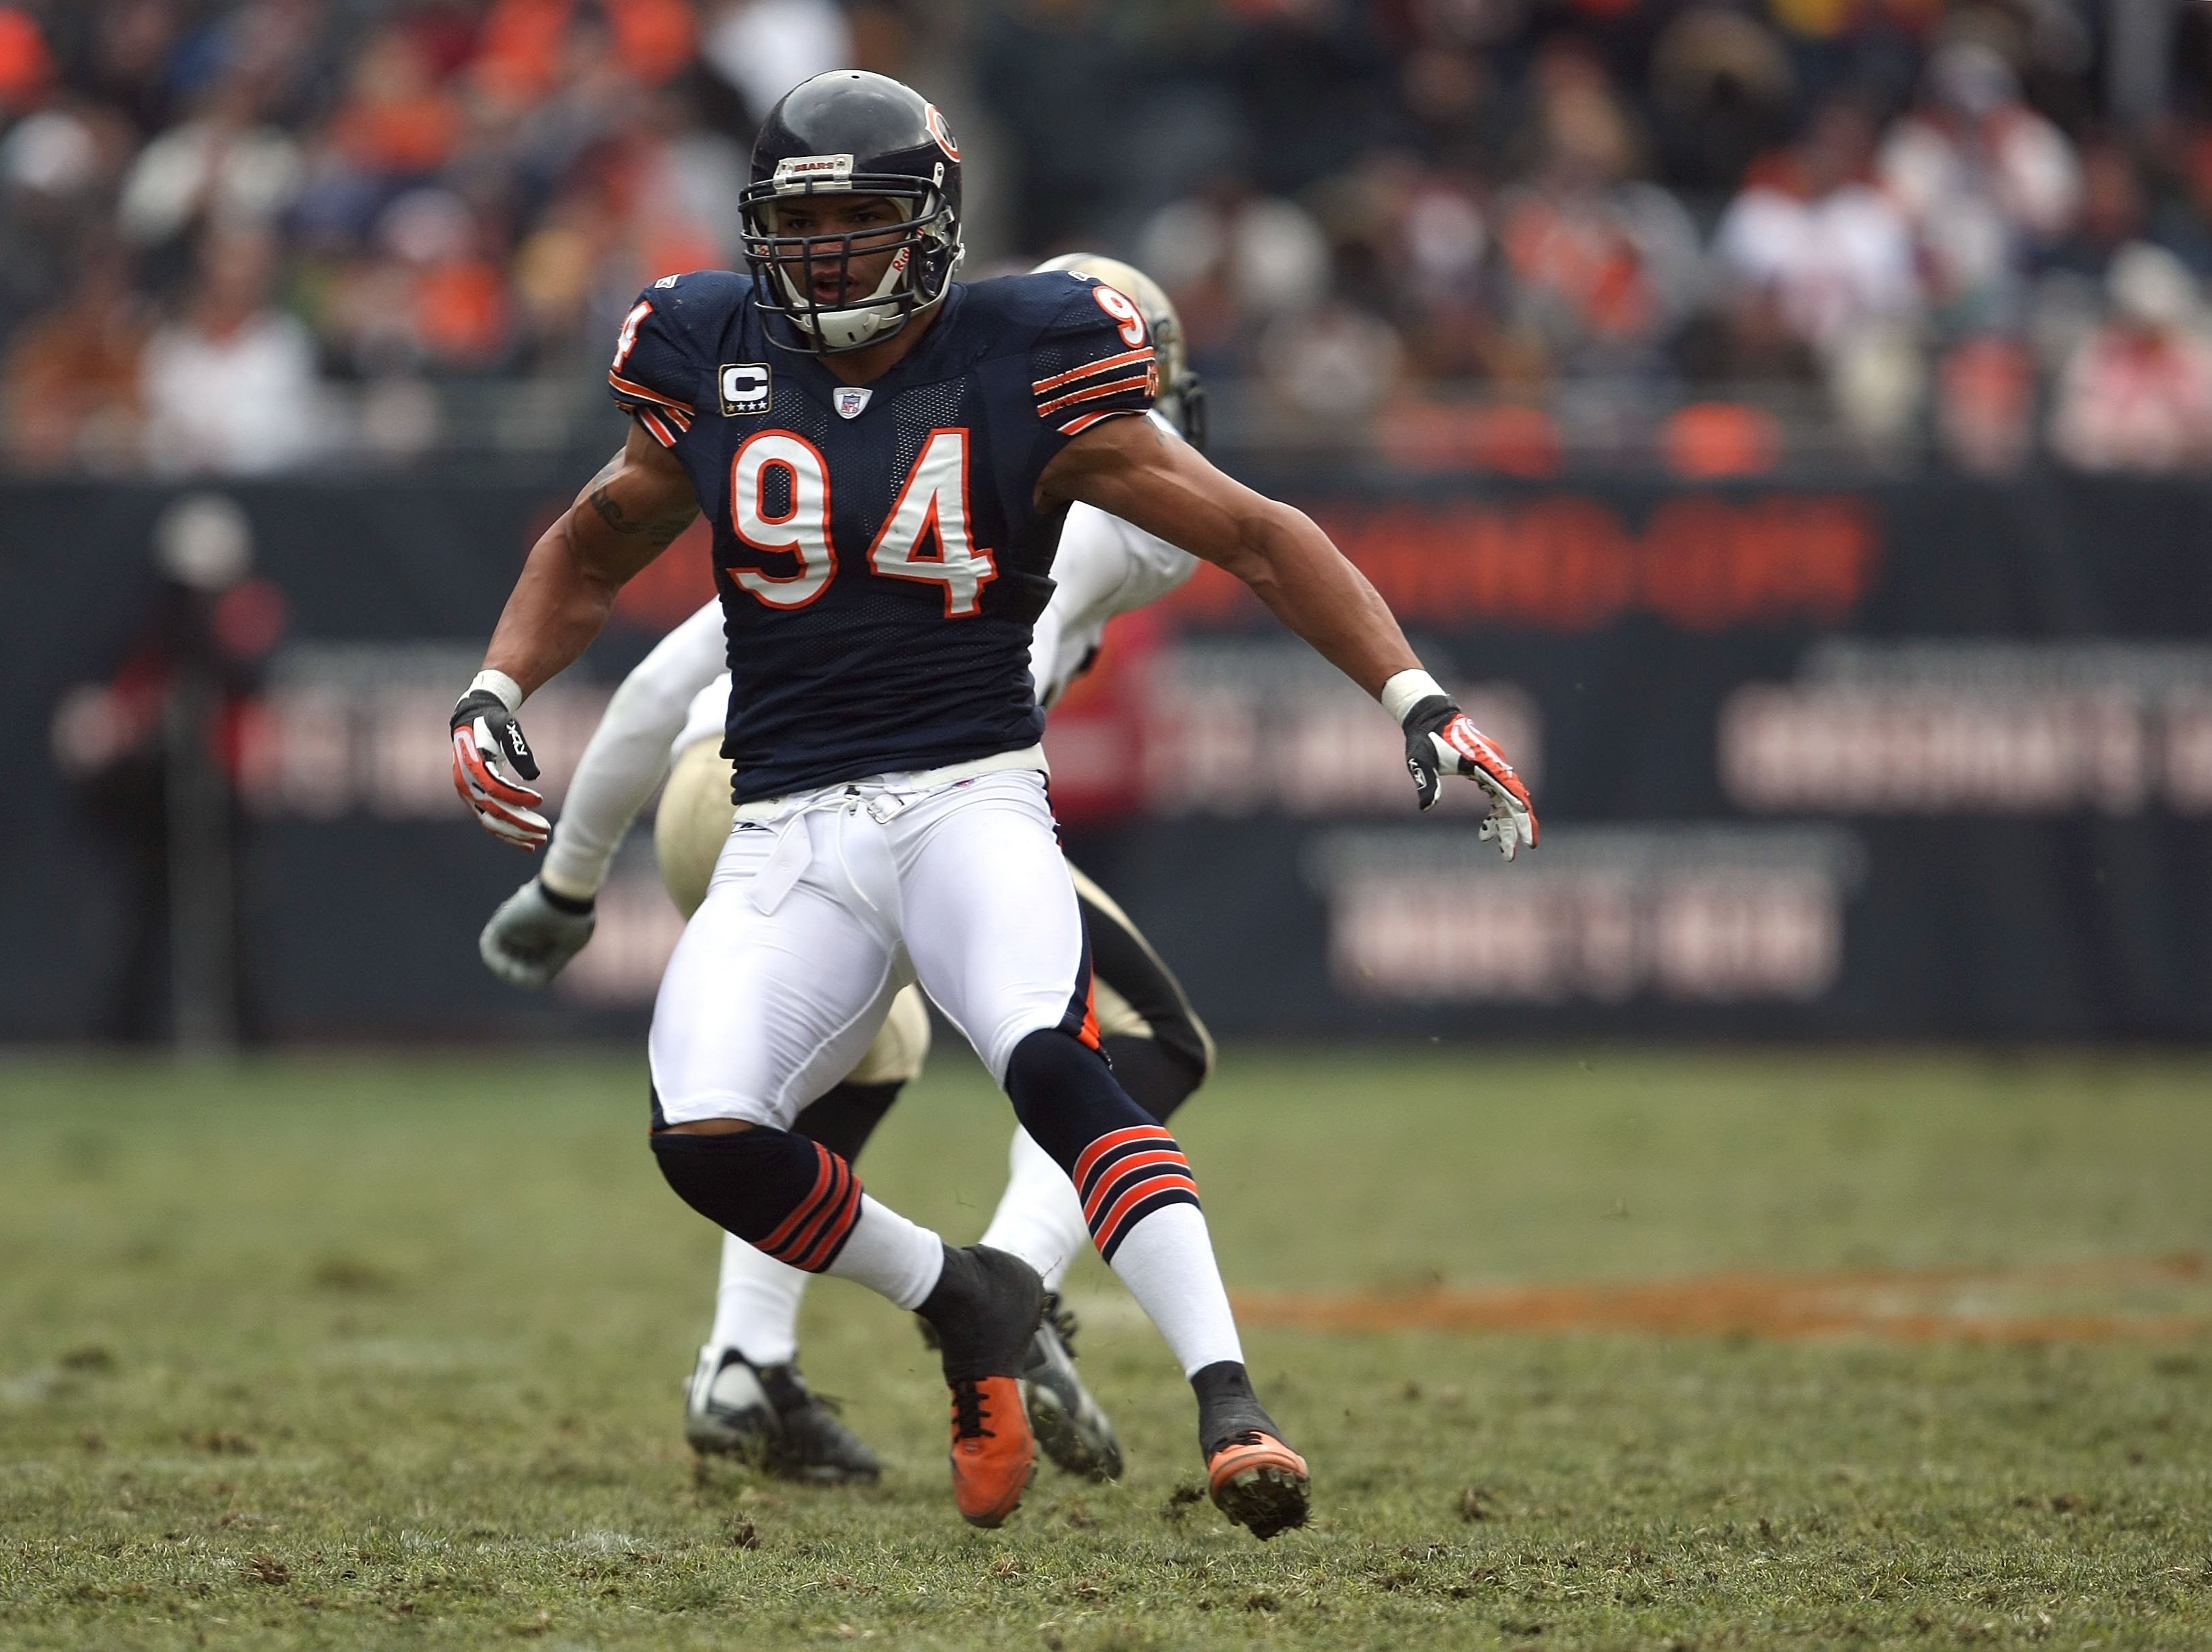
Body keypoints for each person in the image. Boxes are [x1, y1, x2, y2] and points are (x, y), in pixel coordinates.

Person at [448, 71, 1536, 1539]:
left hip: (964, 799)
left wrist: (1412, 694)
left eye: (859, 217)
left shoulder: (1025, 357)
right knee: (701, 1133)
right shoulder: (707, 347)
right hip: (779, 820)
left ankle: (1229, 1398)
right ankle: (964, 1296)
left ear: (936, 221)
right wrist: (496, 685)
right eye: (802, 219)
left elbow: (1260, 535)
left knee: (1065, 1061)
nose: (827, 252)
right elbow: (591, 546)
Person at [480, 255, 1217, 1490]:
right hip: (853, 800)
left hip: (711, 795)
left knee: (828, 1076)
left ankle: (741, 1359)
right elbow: (1120, 568)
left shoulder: (842, 476)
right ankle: (1011, 1288)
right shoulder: (1063, 498)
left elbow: (659, 689)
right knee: (1148, 1039)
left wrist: (569, 881)